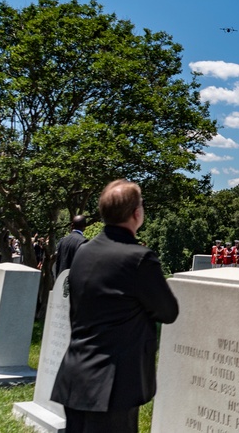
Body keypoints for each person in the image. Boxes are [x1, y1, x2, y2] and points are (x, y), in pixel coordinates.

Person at [52, 179, 179, 433]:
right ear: (136, 213)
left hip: (76, 374)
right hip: (114, 384)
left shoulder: (84, 252)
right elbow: (168, 311)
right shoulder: (140, 258)